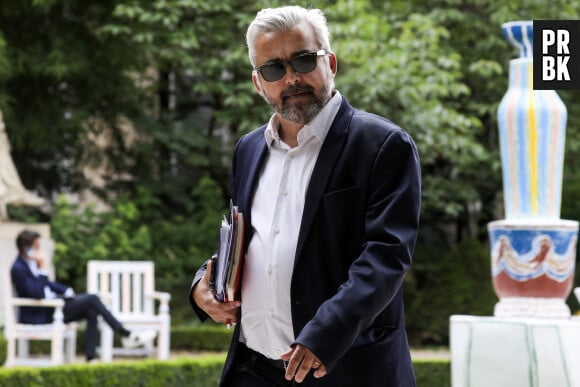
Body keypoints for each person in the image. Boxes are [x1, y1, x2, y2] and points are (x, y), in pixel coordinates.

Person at [190, 6, 421, 387]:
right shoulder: (247, 149)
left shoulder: (382, 145)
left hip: (342, 367)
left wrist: (325, 335)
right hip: (253, 368)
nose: (292, 77)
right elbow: (247, 241)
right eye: (273, 69)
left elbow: (386, 256)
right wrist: (203, 284)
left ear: (329, 62)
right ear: (258, 83)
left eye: (303, 59)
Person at [10, 230, 156, 362]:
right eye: (36, 246)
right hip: (42, 312)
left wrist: (67, 290)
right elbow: (36, 294)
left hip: (54, 306)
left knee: (91, 310)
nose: (39, 250)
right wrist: (42, 269)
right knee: (92, 299)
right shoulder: (18, 268)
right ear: (26, 248)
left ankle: (90, 357)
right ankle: (125, 334)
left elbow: (48, 284)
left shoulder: (31, 264)